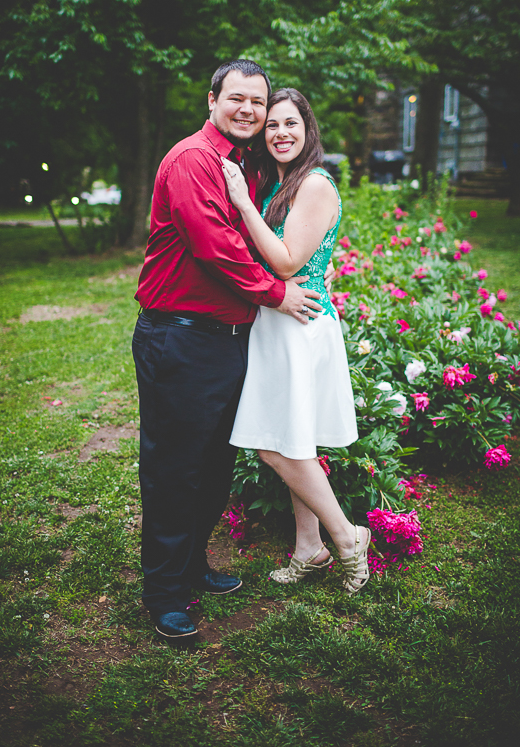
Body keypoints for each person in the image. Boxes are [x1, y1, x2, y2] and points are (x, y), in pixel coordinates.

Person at [133, 60, 325, 641]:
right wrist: (277, 293)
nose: (248, 110)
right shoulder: (193, 159)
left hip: (227, 339)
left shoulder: (241, 163)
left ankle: (193, 565)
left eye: (257, 102)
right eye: (236, 98)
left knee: (214, 464)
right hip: (182, 335)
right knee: (174, 468)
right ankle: (165, 592)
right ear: (212, 100)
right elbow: (215, 248)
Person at [221, 88, 371, 592]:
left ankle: (347, 538)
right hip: (279, 321)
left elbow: (286, 261)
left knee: (276, 447)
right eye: (272, 126)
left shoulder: (316, 184)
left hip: (300, 326)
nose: (281, 133)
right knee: (291, 438)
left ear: (308, 130)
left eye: (291, 124)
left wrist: (242, 201)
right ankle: (310, 547)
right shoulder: (284, 184)